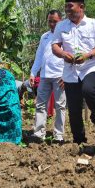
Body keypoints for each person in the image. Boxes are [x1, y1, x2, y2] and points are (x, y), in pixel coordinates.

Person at [52, 0, 95, 144]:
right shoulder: (61, 26)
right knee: (74, 109)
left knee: (89, 90)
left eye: (70, 6)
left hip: (90, 66)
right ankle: (79, 142)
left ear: (81, 6)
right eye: (66, 7)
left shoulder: (94, 24)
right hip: (70, 72)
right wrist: (64, 54)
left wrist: (87, 55)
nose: (67, 10)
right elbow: (55, 46)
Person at [30, 10, 66, 143]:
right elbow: (39, 56)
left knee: (60, 106)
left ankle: (59, 136)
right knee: (40, 105)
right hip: (44, 76)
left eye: (55, 21)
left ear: (60, 21)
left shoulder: (65, 35)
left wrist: (66, 75)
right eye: (50, 21)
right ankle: (39, 133)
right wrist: (33, 73)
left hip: (59, 76)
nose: (52, 24)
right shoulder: (44, 36)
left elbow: (70, 55)